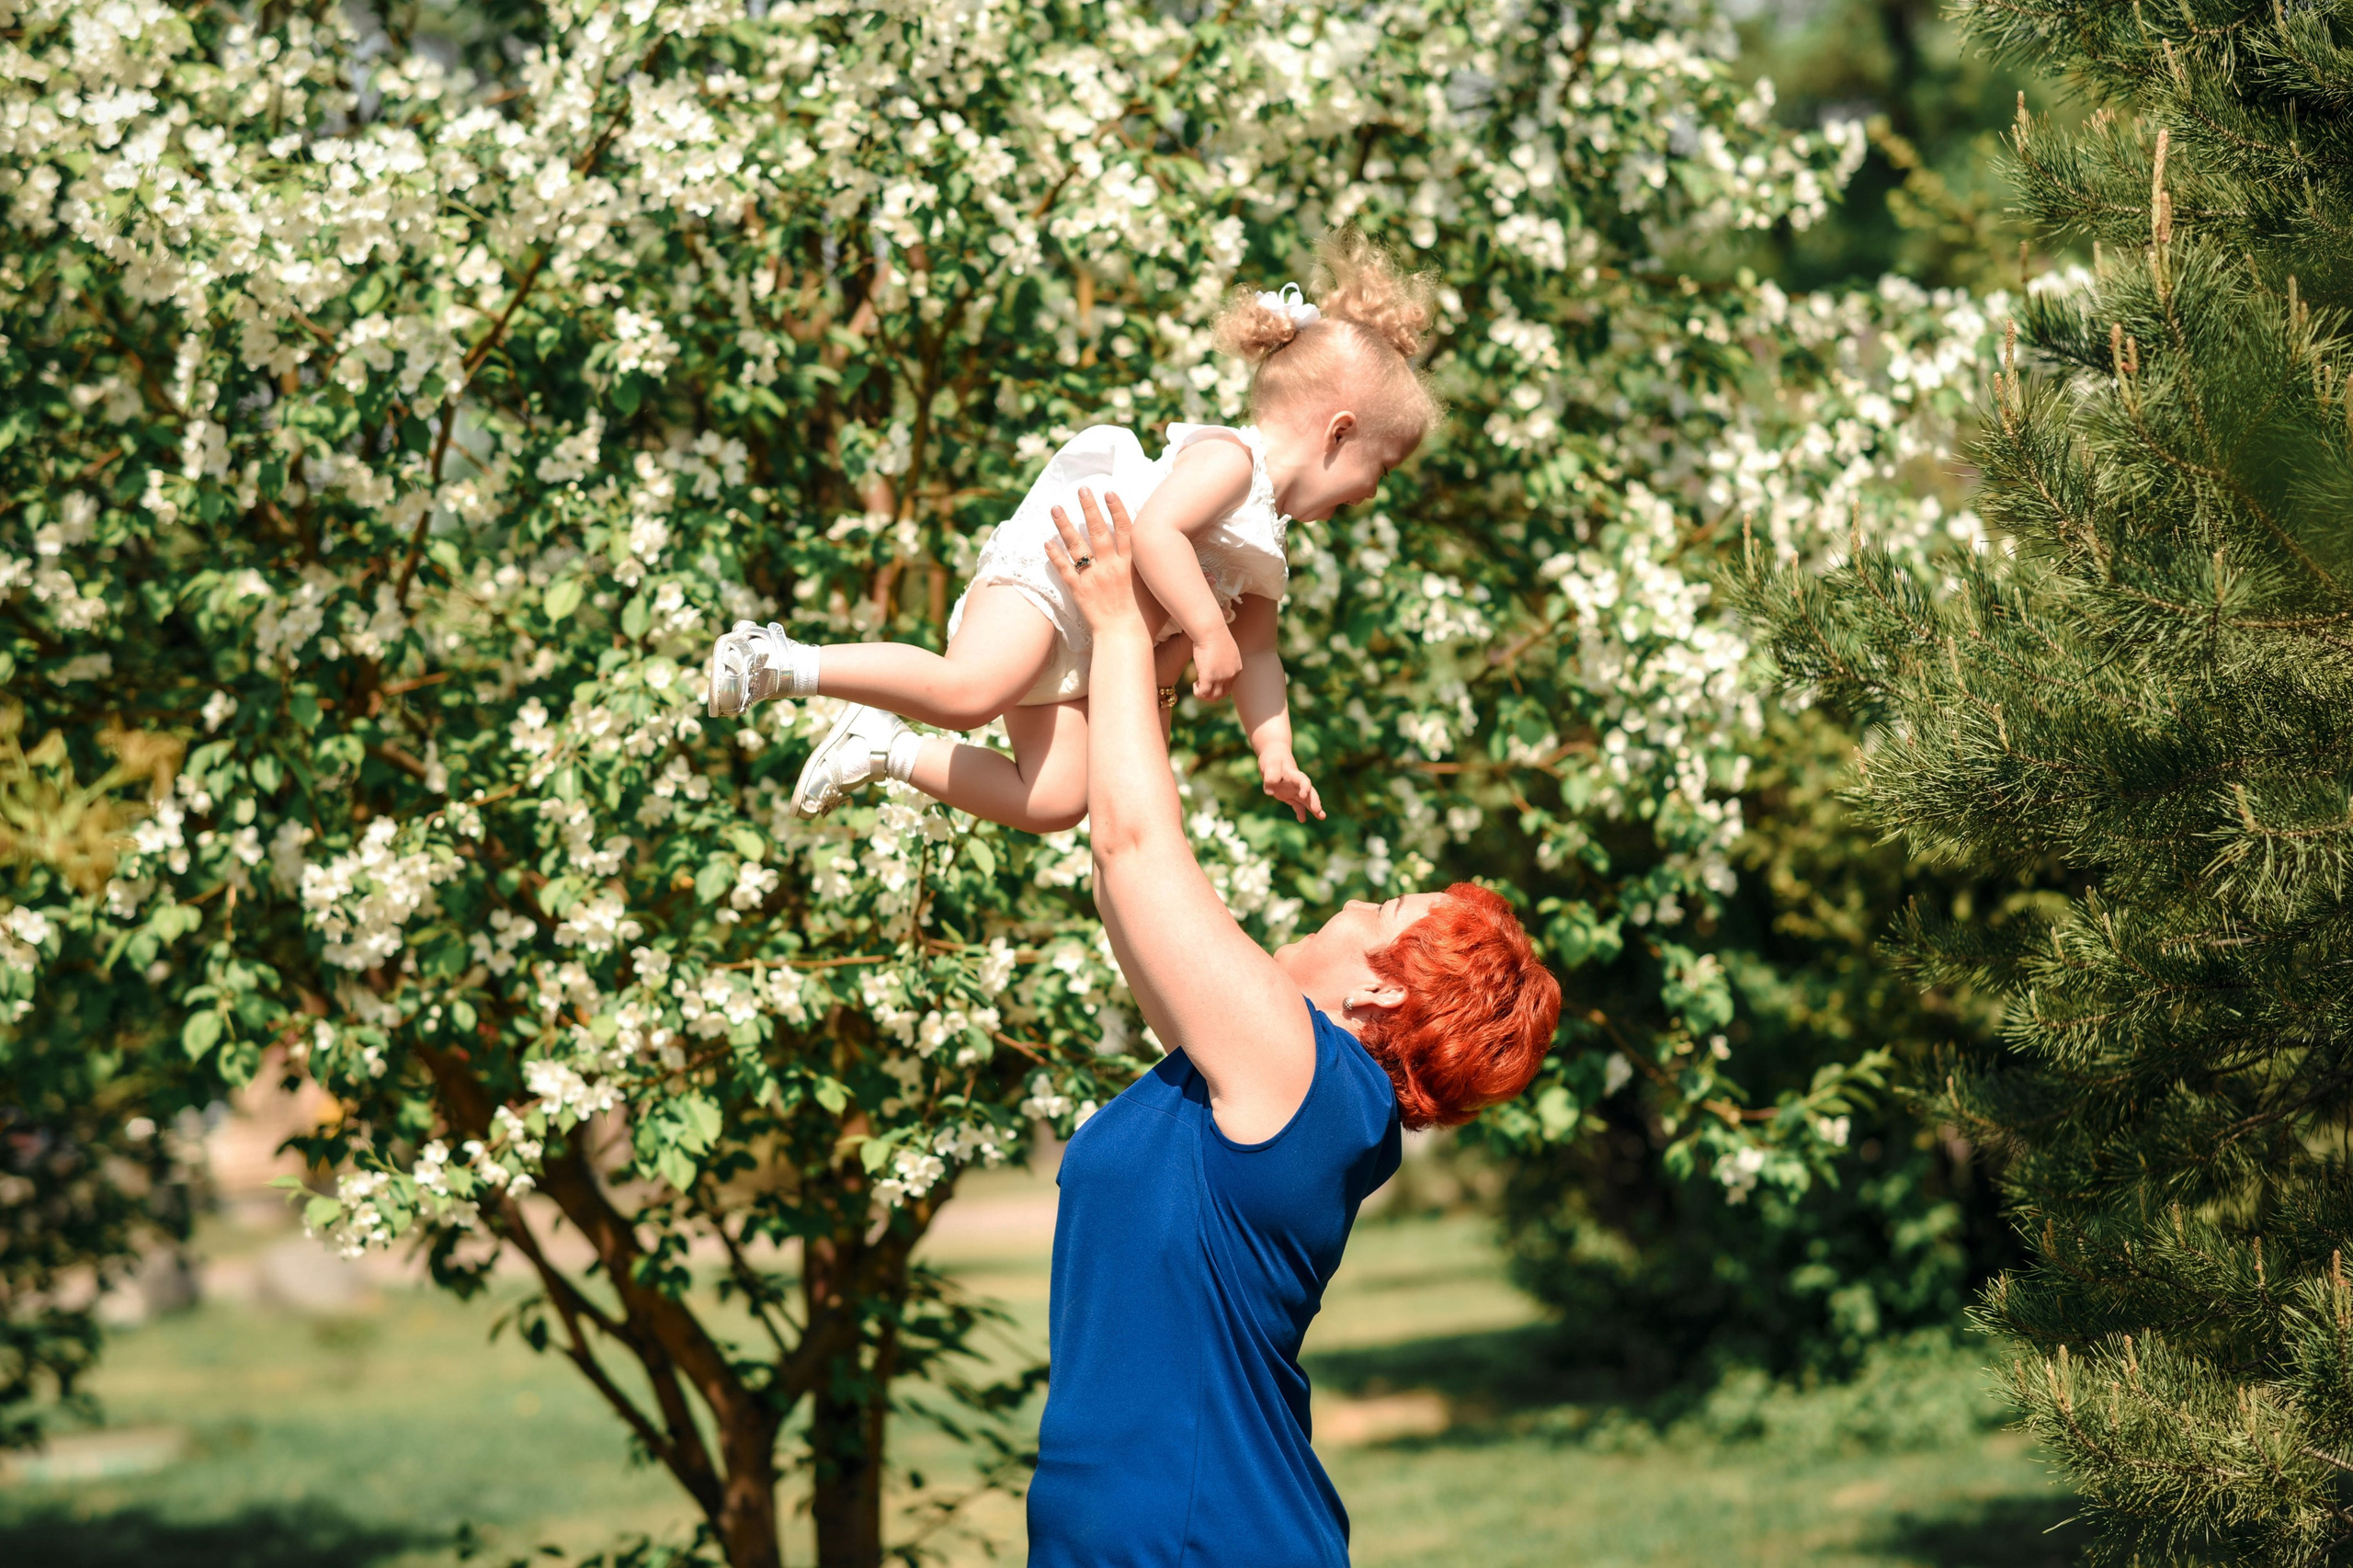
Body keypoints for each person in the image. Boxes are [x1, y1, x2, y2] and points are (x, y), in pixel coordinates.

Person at [1023, 486, 1562, 1568]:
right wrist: (1152, 682)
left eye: (1380, 914)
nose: (1352, 904)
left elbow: (1138, 848)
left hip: (1200, 1541)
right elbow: (1118, 877)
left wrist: (1124, 622)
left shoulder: (1305, 1078)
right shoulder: (1278, 1083)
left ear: (1384, 997)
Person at [702, 228, 1442, 833]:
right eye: (1379, 469)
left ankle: (885, 749)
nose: (1372, 494)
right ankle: (782, 661)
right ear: (1338, 433)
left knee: (1057, 802)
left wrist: (1272, 744)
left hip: (1090, 652)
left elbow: (1259, 653)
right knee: (969, 693)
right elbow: (1157, 535)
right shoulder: (1228, 462)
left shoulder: (1267, 547)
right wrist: (1204, 632)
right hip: (1050, 588)